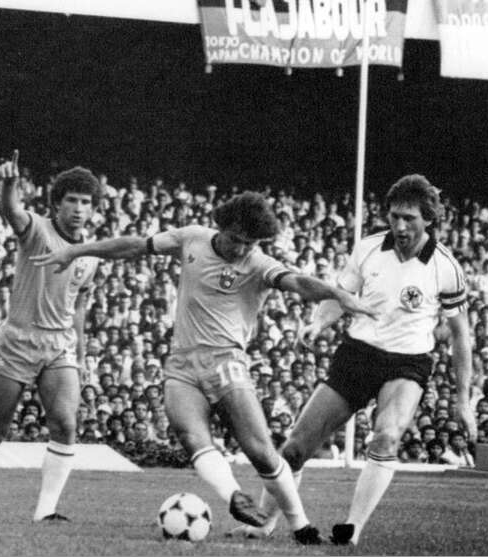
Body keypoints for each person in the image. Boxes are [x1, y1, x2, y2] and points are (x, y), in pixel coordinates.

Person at [32, 190, 377, 544]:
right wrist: (78, 249)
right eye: (236, 240)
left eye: (250, 243)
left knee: (260, 451)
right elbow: (133, 245)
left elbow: (298, 283)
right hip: (181, 364)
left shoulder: (258, 264)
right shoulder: (191, 238)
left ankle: (301, 526)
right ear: (221, 226)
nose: (241, 249)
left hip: (226, 362)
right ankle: (233, 497)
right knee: (190, 435)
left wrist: (337, 294)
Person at [239, 175, 476, 545]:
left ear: (428, 218)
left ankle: (352, 528)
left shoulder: (445, 267)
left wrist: (464, 399)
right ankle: (262, 522)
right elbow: (339, 295)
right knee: (295, 448)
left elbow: (461, 336)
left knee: (386, 437)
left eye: (409, 218)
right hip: (357, 354)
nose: (400, 225)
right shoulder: (367, 249)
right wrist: (317, 324)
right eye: (395, 216)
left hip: (407, 364)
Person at [0, 151, 102, 522]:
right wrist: (8, 184)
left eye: (86, 202)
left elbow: (79, 305)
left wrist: (81, 355)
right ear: (56, 203)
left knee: (66, 424)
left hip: (60, 345)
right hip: (18, 341)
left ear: (94, 208)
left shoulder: (92, 255)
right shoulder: (37, 229)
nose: (79, 209)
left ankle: (46, 511)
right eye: (72, 200)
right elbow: (11, 210)